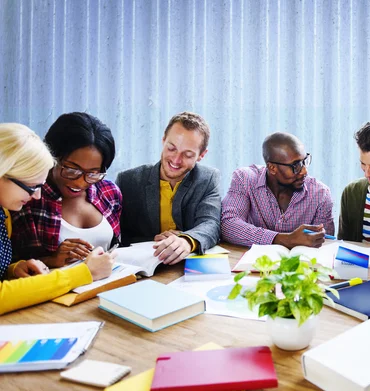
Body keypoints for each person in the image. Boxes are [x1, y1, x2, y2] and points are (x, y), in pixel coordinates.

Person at [0, 123, 114, 315]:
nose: (36, 196)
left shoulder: (4, 213)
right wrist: (84, 273)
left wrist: (14, 269)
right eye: (30, 187)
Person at [11, 112, 122, 267]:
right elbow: (11, 268)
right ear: (51, 156)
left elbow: (118, 248)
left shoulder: (109, 192)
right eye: (72, 170)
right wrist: (52, 261)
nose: (80, 182)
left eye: (93, 173)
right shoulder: (27, 199)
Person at [116, 112, 221, 264]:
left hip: (185, 269)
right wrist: (157, 241)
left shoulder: (208, 178)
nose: (176, 160)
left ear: (201, 155)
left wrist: (186, 240)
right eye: (171, 148)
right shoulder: (128, 181)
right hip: (140, 268)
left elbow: (211, 224)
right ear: (163, 140)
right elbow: (117, 237)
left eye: (188, 154)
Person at [221, 132, 334, 248]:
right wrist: (285, 239)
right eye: (295, 165)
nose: (304, 171)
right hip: (250, 263)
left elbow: (326, 244)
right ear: (272, 168)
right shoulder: (245, 179)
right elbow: (228, 225)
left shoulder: (321, 194)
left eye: (304, 161)